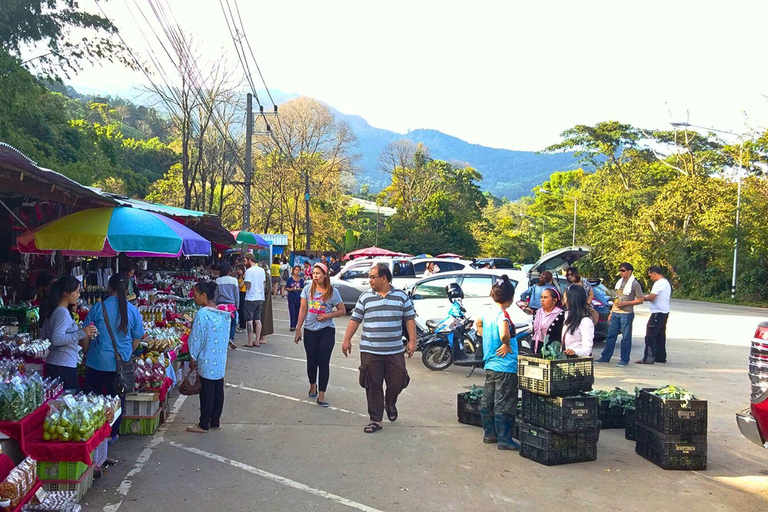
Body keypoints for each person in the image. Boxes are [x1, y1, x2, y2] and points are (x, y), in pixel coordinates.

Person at [342, 263, 417, 433]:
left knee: (398, 381)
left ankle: (390, 403)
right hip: (370, 350)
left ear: (384, 278)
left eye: (372, 277)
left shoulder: (401, 296)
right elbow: (355, 319)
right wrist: (347, 339)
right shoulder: (365, 297)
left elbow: (409, 320)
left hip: (394, 350)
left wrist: (412, 341)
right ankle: (375, 419)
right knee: (372, 385)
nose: (369, 280)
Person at [84, 273, 145, 440]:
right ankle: (112, 434)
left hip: (97, 361)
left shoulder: (98, 308)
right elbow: (138, 336)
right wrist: (127, 353)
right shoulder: (132, 310)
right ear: (127, 289)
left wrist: (85, 352)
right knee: (117, 399)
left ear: (109, 288)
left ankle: (94, 434)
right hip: (120, 365)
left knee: (93, 398)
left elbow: (86, 335)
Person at [475, 275, 520, 450]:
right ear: (510, 298)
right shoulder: (503, 314)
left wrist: (484, 335)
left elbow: (477, 324)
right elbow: (504, 333)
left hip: (490, 365)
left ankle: (489, 434)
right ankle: (504, 440)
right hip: (505, 366)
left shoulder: (487, 313)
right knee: (504, 402)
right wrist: (506, 344)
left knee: (488, 400)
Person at [294, 263, 345, 407]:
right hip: (310, 330)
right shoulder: (307, 289)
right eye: (314, 273)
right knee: (311, 361)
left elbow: (342, 310)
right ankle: (312, 385)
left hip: (326, 330)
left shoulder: (332, 292)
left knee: (323, 362)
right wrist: (298, 329)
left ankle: (321, 395)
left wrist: (328, 315)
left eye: (318, 273)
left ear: (325, 274)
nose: (316, 276)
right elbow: (303, 310)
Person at [186, 281, 231, 433]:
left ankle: (203, 424)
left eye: (196, 295)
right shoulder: (224, 314)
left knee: (206, 392)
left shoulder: (203, 314)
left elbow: (197, 338)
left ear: (204, 295)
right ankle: (215, 421)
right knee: (218, 389)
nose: (194, 298)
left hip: (206, 358)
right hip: (219, 358)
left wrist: (193, 357)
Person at [41, 276, 96, 390]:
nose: (78, 295)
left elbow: (46, 336)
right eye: (76, 292)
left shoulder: (55, 310)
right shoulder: (62, 313)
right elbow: (57, 339)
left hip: (57, 362)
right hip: (63, 365)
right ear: (66, 293)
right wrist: (81, 333)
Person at [597, 263, 644, 366]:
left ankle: (624, 359)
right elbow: (616, 298)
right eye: (620, 270)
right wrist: (611, 311)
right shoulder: (619, 282)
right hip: (615, 312)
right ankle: (606, 357)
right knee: (610, 336)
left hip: (626, 313)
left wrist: (626, 303)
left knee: (626, 337)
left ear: (629, 271)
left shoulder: (634, 284)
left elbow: (640, 299)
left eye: (623, 270)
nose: (621, 273)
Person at [638, 266, 672, 364]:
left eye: (650, 276)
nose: (650, 278)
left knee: (650, 335)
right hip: (664, 312)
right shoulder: (666, 282)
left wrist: (643, 298)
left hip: (657, 312)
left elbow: (652, 297)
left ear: (655, 274)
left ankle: (648, 357)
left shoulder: (659, 283)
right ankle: (660, 357)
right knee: (660, 335)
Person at [562, 285, 594, 357]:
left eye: (565, 298)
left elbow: (587, 350)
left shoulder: (585, 321)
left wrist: (574, 351)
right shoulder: (567, 316)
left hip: (578, 363)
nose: (564, 301)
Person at [242, 253, 266, 347]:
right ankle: (257, 340)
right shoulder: (261, 270)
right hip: (260, 297)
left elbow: (248, 285)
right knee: (258, 319)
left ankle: (250, 341)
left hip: (250, 298)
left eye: (245, 261)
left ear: (249, 260)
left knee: (249, 320)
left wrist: (244, 280)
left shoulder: (249, 271)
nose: (244, 263)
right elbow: (264, 284)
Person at [214, 262, 239, 350]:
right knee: (233, 323)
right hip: (231, 305)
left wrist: (214, 304)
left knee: (221, 323)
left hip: (221, 305)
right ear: (228, 271)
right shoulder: (234, 280)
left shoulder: (218, 280)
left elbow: (216, 294)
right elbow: (236, 295)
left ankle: (222, 338)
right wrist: (237, 305)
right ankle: (231, 338)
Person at [531, 288, 564, 355]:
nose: (542, 300)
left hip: (550, 353)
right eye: (541, 297)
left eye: (545, 298)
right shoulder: (538, 312)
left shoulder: (560, 315)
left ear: (554, 300)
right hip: (535, 349)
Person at [259, 262, 274, 345]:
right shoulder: (264, 276)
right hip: (262, 298)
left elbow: (267, 289)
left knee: (264, 317)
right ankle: (261, 335)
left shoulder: (266, 276)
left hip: (265, 300)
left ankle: (263, 336)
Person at [286, 266, 305, 331]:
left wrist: (299, 289)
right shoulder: (290, 279)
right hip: (291, 297)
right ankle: (292, 325)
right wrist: (291, 289)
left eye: (298, 270)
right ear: (293, 271)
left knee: (297, 312)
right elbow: (287, 288)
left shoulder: (301, 280)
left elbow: (303, 288)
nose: (297, 272)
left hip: (298, 298)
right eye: (296, 270)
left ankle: (295, 324)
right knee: (292, 311)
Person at [236, 265, 247, 333]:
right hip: (239, 292)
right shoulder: (238, 277)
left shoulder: (244, 277)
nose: (238, 271)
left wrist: (243, 278)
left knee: (242, 310)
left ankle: (243, 326)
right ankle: (241, 326)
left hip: (243, 293)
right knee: (239, 310)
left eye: (239, 270)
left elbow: (241, 285)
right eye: (237, 270)